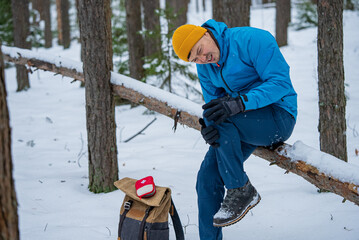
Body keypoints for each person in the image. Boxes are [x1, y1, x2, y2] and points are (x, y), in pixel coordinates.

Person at [172, 19, 297, 240]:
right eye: (195, 59)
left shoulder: (252, 40)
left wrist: (240, 103)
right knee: (206, 179)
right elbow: (215, 108)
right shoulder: (205, 67)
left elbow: (280, 83)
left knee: (224, 120)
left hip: (278, 117)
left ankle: (240, 189)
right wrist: (208, 128)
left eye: (200, 51)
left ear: (205, 34)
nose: (202, 59)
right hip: (241, 125)